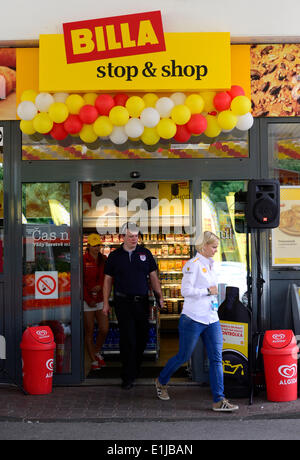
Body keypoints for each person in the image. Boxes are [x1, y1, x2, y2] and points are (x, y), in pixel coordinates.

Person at [155, 231, 239, 412]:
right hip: (193, 318)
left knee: (217, 359)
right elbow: (185, 290)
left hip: (212, 318)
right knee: (183, 356)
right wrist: (207, 291)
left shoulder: (212, 265)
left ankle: (219, 400)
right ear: (203, 246)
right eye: (214, 246)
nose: (216, 250)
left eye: (216, 246)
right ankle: (161, 381)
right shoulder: (192, 265)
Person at [103, 223, 164, 389]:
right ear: (123, 237)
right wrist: (105, 303)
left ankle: (135, 368)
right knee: (128, 338)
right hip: (123, 302)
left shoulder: (145, 253)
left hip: (142, 302)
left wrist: (160, 296)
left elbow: (153, 276)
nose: (134, 239)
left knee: (142, 337)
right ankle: (128, 376)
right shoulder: (114, 257)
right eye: (130, 236)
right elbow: (107, 280)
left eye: (136, 236)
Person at [83, 233, 109, 372]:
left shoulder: (103, 259)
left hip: (100, 299)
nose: (96, 248)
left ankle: (96, 351)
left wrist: (100, 286)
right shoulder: (83, 260)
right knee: (89, 330)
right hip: (87, 301)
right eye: (93, 245)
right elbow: (80, 282)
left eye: (98, 245)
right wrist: (88, 299)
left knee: (104, 329)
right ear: (88, 246)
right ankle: (93, 359)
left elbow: (107, 278)